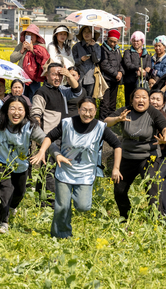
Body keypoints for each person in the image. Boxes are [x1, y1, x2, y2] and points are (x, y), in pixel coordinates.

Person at [32, 96, 123, 239]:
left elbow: (117, 145)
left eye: (91, 110)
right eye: (84, 110)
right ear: (79, 109)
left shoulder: (100, 127)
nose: (87, 113)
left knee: (83, 206)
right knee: (62, 206)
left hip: (86, 173)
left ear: (95, 111)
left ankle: (69, 199)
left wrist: (116, 168)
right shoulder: (67, 123)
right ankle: (61, 234)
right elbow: (49, 136)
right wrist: (42, 151)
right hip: (64, 170)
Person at [0, 96, 47, 234]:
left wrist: (47, 152)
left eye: (20, 109)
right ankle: (3, 222)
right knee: (5, 189)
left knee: (20, 192)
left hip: (21, 164)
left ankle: (12, 208)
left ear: (25, 112)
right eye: (12, 108)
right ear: (7, 110)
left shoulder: (30, 125)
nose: (16, 112)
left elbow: (45, 139)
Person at [105, 88, 166, 220]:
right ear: (132, 100)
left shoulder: (153, 112)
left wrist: (165, 137)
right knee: (119, 189)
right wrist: (118, 119)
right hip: (127, 156)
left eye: (144, 97)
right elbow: (106, 122)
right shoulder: (126, 111)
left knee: (153, 187)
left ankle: (156, 218)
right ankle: (125, 216)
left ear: (148, 100)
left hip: (148, 156)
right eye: (137, 97)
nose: (141, 100)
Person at [31, 63, 84, 202]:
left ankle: (40, 198)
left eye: (59, 75)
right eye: (54, 74)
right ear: (47, 76)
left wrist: (67, 75)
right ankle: (49, 202)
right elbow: (36, 114)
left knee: (50, 167)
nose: (57, 78)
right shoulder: (41, 92)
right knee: (50, 168)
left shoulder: (62, 90)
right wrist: (39, 137)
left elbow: (77, 90)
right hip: (49, 136)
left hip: (63, 136)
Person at [9, 25, 50, 98]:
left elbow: (44, 59)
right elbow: (12, 59)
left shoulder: (41, 46)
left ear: (36, 36)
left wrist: (32, 50)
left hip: (35, 79)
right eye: (27, 34)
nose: (29, 36)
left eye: (32, 34)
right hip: (21, 77)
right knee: (21, 98)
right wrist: (21, 51)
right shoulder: (21, 45)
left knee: (34, 98)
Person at [98, 29, 124, 120]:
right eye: (111, 41)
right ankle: (102, 125)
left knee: (112, 105)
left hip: (115, 80)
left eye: (115, 42)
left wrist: (121, 72)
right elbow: (104, 64)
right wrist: (116, 74)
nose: (112, 44)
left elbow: (121, 62)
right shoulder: (102, 49)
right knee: (105, 104)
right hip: (106, 80)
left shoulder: (117, 50)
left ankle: (110, 124)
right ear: (107, 39)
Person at [72, 26, 102, 99]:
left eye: (89, 32)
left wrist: (93, 47)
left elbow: (96, 60)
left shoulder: (97, 46)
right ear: (82, 34)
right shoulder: (76, 46)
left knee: (89, 99)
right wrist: (81, 60)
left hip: (90, 77)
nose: (86, 34)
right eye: (84, 32)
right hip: (78, 77)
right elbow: (72, 62)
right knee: (78, 99)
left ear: (92, 34)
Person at [122, 31, 151, 99]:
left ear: (142, 41)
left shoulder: (147, 54)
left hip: (142, 83)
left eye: (138, 41)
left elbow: (148, 69)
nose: (136, 43)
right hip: (130, 82)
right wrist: (138, 68)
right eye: (134, 41)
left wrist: (144, 73)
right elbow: (127, 64)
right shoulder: (128, 52)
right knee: (130, 101)